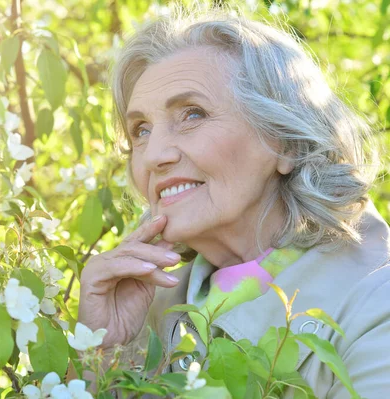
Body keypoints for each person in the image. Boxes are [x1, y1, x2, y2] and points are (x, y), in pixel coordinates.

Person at [77, 8, 390, 399]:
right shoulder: (146, 305)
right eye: (141, 130)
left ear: (286, 140)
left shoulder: (377, 304)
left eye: (192, 114)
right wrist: (100, 352)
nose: (154, 155)